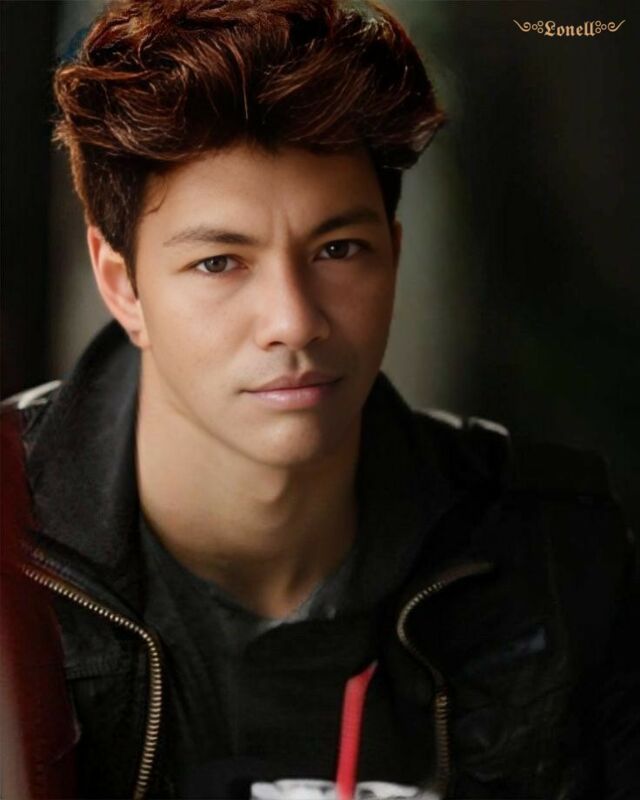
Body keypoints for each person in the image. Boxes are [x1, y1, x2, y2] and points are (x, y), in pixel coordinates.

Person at [1, 1, 638, 798]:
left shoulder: (552, 552)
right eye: (219, 262)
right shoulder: (8, 537)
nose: (294, 321)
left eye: (339, 249)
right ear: (122, 285)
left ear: (392, 256)